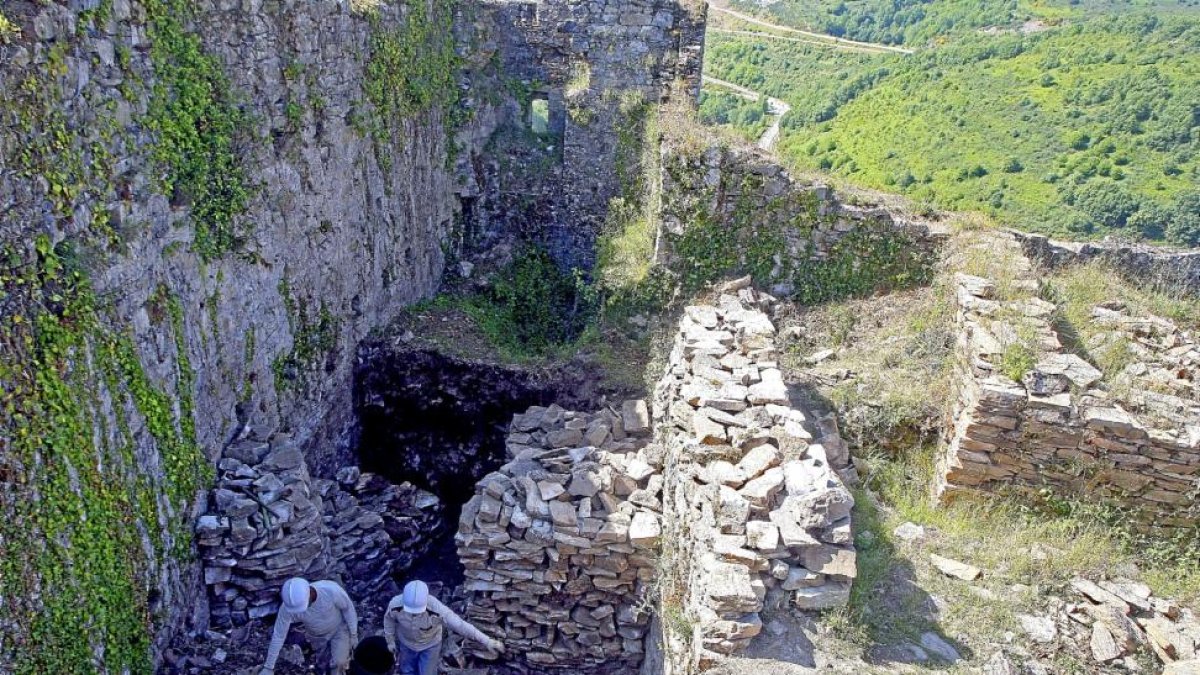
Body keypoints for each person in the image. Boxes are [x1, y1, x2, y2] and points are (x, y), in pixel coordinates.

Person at [384, 580, 504, 675]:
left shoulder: (437, 609)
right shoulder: (394, 605)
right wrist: (390, 641)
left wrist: (487, 641)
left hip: (430, 646)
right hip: (406, 645)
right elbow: (388, 620)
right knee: (407, 671)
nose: (414, 614)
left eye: (417, 612)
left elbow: (460, 625)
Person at [260, 577, 359, 675]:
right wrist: (268, 667)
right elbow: (279, 635)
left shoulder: (331, 591)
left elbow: (348, 609)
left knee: (339, 663)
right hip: (316, 637)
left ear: (310, 592)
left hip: (339, 630)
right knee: (322, 667)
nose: (300, 612)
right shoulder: (288, 607)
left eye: (303, 606)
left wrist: (353, 634)